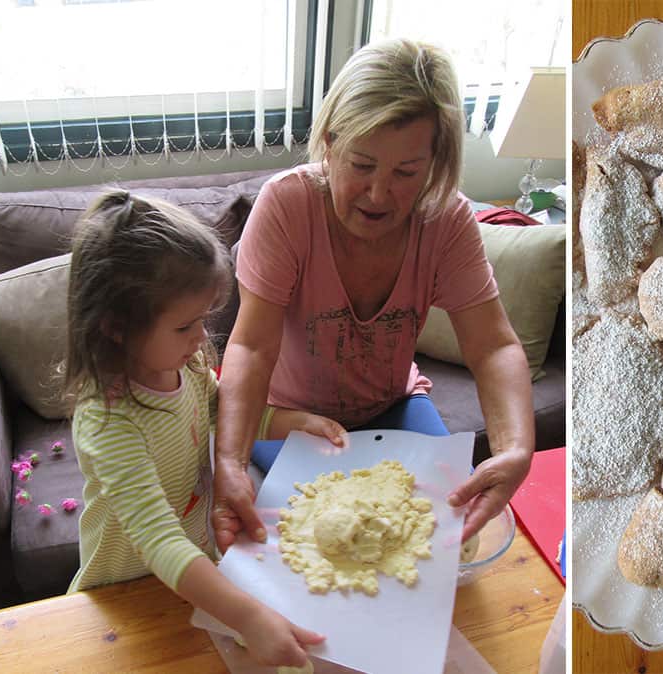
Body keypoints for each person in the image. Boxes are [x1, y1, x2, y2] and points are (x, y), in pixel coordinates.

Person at [211, 38, 536, 554]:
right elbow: (250, 348)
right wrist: (228, 462)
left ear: (434, 165)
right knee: (328, 548)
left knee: (442, 541)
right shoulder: (287, 206)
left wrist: (517, 449)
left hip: (394, 405)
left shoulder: (446, 220)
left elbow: (493, 347)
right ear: (331, 143)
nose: (380, 194)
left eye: (406, 173)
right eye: (362, 165)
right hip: (290, 419)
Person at [63, 191, 345, 668]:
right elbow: (157, 539)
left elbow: (226, 413)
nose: (201, 338)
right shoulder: (108, 420)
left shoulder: (188, 364)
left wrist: (292, 423)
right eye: (185, 326)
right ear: (115, 327)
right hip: (126, 593)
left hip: (194, 574)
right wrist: (250, 618)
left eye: (204, 320)